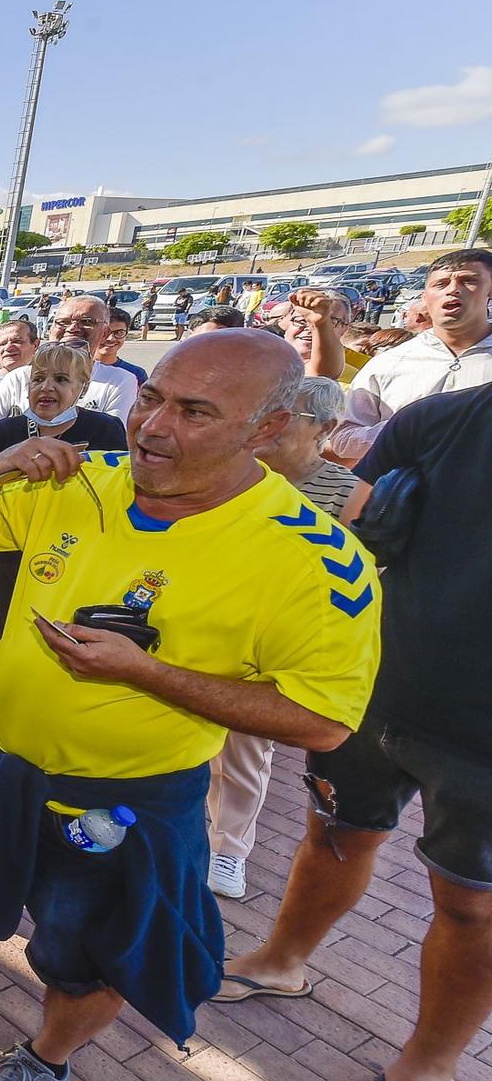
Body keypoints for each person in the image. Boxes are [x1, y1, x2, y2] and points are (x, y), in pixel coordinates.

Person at [0, 331, 379, 1081]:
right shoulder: (87, 476)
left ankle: (45, 1058)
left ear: (265, 429)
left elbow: (325, 717)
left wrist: (147, 674)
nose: (152, 426)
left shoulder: (313, 559)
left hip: (126, 798)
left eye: (193, 412)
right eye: (152, 397)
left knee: (94, 952)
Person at [219, 378, 489, 1081]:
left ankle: (432, 1063)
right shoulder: (441, 419)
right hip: (378, 688)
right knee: (337, 833)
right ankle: (281, 958)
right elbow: (356, 527)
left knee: (473, 904)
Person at [201, 375, 358, 900]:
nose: (270, 428)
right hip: (207, 619)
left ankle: (229, 850)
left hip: (273, 640)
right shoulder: (238, 475)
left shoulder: (349, 493)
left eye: (287, 418)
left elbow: (354, 578)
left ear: (326, 428)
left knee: (244, 748)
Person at [0, 343, 127, 687]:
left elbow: (117, 496)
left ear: (83, 387)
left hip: (78, 558)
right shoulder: (6, 432)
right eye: (38, 378)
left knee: (67, 641)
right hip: (10, 557)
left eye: (61, 379)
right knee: (12, 634)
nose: (46, 388)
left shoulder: (105, 430)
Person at [327, 249, 492, 464]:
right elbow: (343, 439)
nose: (453, 290)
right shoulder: (389, 363)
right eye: (440, 284)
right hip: (397, 495)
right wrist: (404, 430)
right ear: (425, 296)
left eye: (468, 281)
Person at [0, 295, 139, 425]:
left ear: (105, 333)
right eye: (63, 322)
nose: (72, 328)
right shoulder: (17, 378)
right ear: (51, 329)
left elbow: (112, 447)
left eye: (86, 322)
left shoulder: (120, 381)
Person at [272, 286, 350, 379]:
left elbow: (322, 374)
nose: (309, 328)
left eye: (330, 323)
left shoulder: (350, 375)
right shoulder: (264, 356)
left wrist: (320, 324)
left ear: (344, 328)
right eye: (301, 320)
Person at [0, 318, 39, 394]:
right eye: (3, 343)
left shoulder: (44, 384)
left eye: (17, 341)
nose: (8, 348)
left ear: (35, 345)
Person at [98, 306, 147, 384]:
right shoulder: (77, 370)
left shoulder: (136, 374)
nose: (111, 339)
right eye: (104, 333)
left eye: (119, 333)